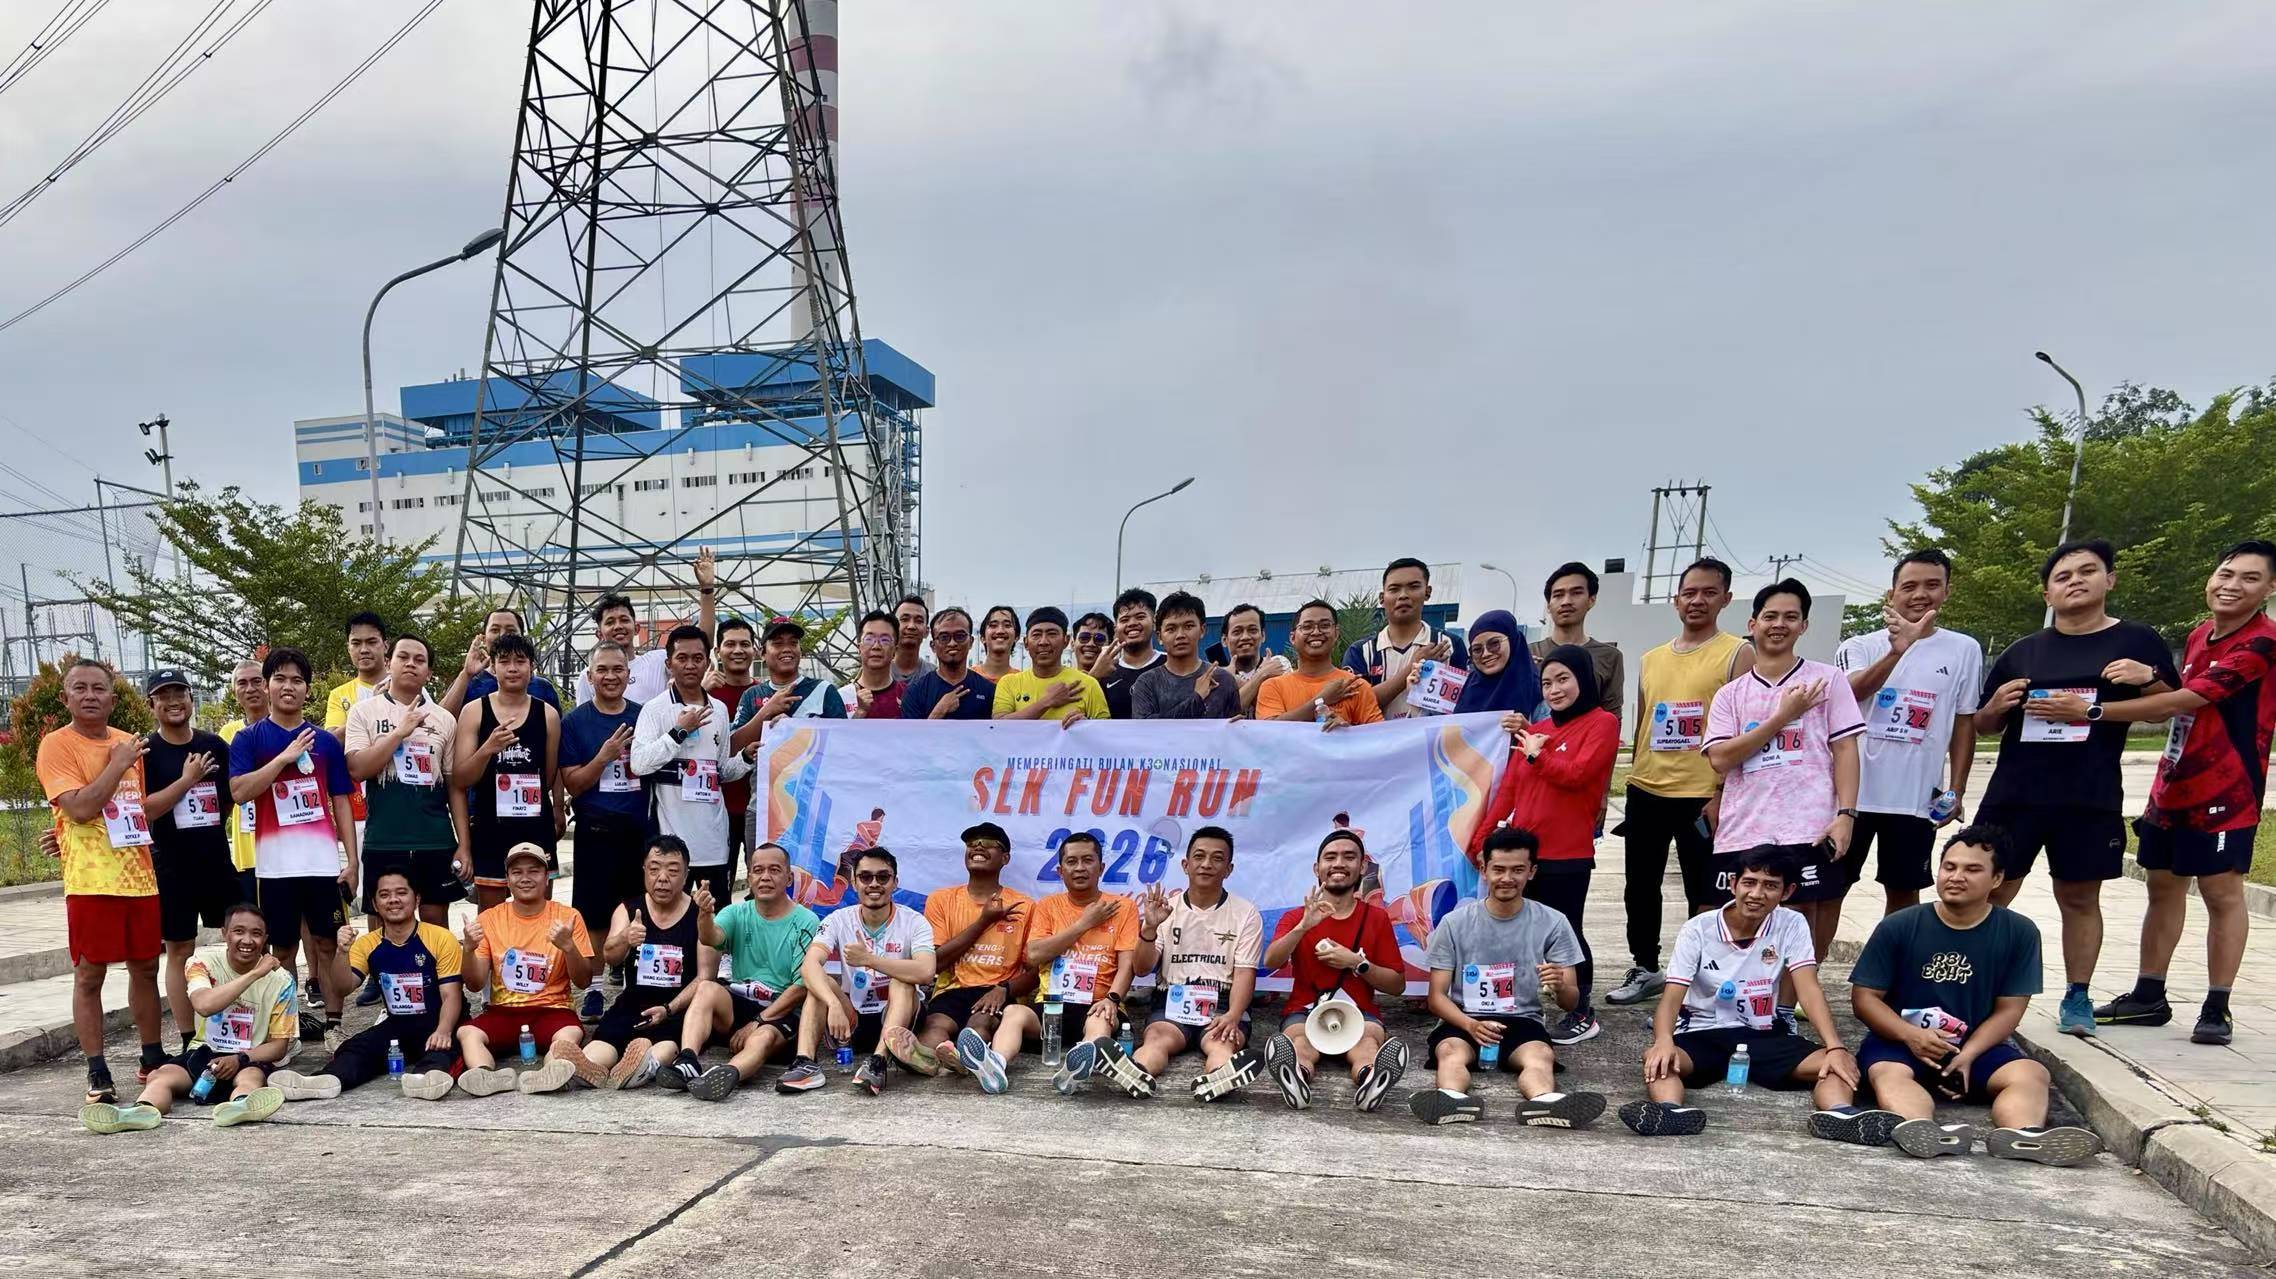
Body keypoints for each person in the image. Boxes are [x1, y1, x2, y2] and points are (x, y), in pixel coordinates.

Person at [1973, 538, 2178, 1036]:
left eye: (2088, 571)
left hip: (2088, 795)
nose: (2075, 582)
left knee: (2080, 897)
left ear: (2110, 580)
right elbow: (1983, 725)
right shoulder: (2024, 651)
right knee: (1989, 892)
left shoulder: (2136, 642)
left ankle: (2077, 996)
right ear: (2047, 594)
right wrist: (1995, 705)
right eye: (2063, 577)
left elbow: (2171, 705)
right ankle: (1974, 988)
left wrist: (2133, 685)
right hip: (2015, 794)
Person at [2089, 540, 2276, 1044]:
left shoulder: (2263, 642)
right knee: (2162, 886)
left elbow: (2185, 699)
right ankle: (2149, 995)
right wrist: (2149, 682)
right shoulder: (2198, 636)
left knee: (2221, 892)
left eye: (2250, 578)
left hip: (2228, 792)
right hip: (2172, 786)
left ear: (2269, 588)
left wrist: (2093, 710)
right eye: (2226, 573)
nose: (2232, 585)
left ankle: (2217, 1007)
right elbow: (2173, 704)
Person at [1850, 827, 2104, 1165]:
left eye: (1972, 869)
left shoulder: (2019, 932)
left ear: (1997, 879)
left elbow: (2009, 1010)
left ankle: (2024, 1135)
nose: (1956, 877)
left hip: (1975, 1046)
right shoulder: (1899, 925)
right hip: (1899, 1042)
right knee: (1888, 1073)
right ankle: (1921, 1130)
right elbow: (1865, 998)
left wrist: (1969, 1054)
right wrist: (1910, 1036)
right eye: (1949, 867)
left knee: (2031, 1074)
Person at [1618, 848, 1869, 1141]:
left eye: (1770, 885)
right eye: (1749, 882)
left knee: (1836, 1064)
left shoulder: (1792, 923)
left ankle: (1841, 1115)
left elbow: (1809, 988)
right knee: (1660, 1061)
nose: (1757, 894)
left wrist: (1835, 1046)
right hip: (1702, 1032)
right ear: (1733, 884)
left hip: (1763, 1033)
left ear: (1787, 892)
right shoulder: (1698, 928)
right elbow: (1672, 996)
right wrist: (1663, 1040)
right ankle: (1669, 1111)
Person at [1605, 557, 1752, 1009]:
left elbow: (1743, 729)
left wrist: (1722, 791)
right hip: (1647, 788)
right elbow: (1644, 721)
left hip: (1702, 793)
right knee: (1640, 886)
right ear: (1676, 600)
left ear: (1726, 599)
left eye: (1709, 592)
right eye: (1689, 593)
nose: (1697, 601)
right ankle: (1646, 966)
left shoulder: (1737, 653)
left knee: (1703, 891)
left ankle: (1700, 975)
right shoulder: (1651, 659)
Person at [1703, 579, 1865, 976]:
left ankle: (1791, 1002)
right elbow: (1720, 758)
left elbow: (1845, 751)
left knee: (1803, 922)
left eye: (1790, 617)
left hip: (1808, 827)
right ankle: (1742, 998)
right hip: (1744, 828)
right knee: (1737, 919)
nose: (1779, 624)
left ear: (1803, 625)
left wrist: (1846, 814)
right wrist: (1782, 717)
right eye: (1770, 616)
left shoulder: (1827, 680)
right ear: (1753, 623)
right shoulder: (1731, 695)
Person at [1469, 646, 1619, 1044]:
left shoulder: (1602, 723)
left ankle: (1581, 1010)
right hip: (1525, 857)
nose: (1554, 690)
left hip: (1568, 854)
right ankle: (1512, 1003)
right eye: (1547, 683)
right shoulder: (1536, 731)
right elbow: (1509, 793)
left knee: (1567, 933)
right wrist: (1483, 839)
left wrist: (1539, 755)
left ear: (1583, 680)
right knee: (1516, 930)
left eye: (1563, 679)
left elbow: (1578, 774)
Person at [1410, 828, 1599, 1127]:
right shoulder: (1454, 923)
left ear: (1532, 872)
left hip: (1522, 1019)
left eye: (1517, 870)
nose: (1507, 878)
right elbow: (1436, 997)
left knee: (1540, 1055)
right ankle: (1450, 1099)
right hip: (1464, 1018)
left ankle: (1545, 1102)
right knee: (1450, 1051)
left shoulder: (1553, 922)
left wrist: (1561, 986)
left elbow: (1571, 1002)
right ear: (1483, 870)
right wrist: (1471, 1025)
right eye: (1498, 869)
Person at [39, 657, 165, 1104]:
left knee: (146, 968)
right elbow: (79, 808)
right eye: (80, 688)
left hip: (139, 877)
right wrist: (117, 763)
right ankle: (97, 1069)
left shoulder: (128, 743)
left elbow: (135, 809)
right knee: (89, 973)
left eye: (99, 688)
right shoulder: (57, 745)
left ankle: (153, 1056)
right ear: (65, 698)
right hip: (91, 882)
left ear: (113, 698)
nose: (90, 696)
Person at [1834, 549, 1982, 917]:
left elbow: (1964, 722)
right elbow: (1851, 693)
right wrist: (1898, 651)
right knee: (1831, 890)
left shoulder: (1964, 649)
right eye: (1909, 586)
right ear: (1892, 593)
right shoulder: (1859, 646)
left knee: (1903, 894)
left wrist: (1956, 789)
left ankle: (1894, 957)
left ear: (1947, 591)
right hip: (1852, 796)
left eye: (1932, 585)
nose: (1920, 595)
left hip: (1915, 799)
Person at [229, 647, 359, 1047]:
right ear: (267, 686)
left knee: (328, 944)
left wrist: (352, 861)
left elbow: (341, 801)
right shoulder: (249, 739)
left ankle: (334, 1025)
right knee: (281, 949)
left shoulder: (326, 742)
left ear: (307, 689)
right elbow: (239, 792)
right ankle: (286, 1032)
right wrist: (283, 758)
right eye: (280, 679)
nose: (289, 687)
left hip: (322, 864)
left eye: (297, 680)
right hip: (275, 867)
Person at [79, 904, 292, 1133]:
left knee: (251, 1078)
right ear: (224, 933)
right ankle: (141, 1111)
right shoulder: (201, 962)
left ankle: (241, 1106)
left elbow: (279, 1047)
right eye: (239, 931)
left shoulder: (282, 981)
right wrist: (255, 974)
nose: (247, 940)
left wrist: (239, 1059)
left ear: (265, 939)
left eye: (256, 934)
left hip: (248, 1057)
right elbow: (204, 1005)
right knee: (159, 1076)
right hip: (204, 1053)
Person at [1098, 828, 1266, 1101]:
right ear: (1186, 865)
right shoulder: (1166, 909)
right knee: (1157, 1040)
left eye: (1217, 858)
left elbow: (1245, 973)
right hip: (1173, 999)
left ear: (1229, 869)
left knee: (1221, 1044)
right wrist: (1149, 929)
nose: (1206, 864)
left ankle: (1219, 1078)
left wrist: (1234, 1015)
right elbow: (1142, 968)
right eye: (1199, 856)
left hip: (1223, 1002)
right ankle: (1136, 1072)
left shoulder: (1246, 913)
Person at [271, 865, 463, 1101]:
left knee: (443, 1051)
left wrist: (443, 1030)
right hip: (398, 1024)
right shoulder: (367, 944)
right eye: (384, 895)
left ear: (417, 899)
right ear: (374, 903)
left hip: (441, 1021)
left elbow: (451, 994)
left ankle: (427, 1079)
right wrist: (342, 952)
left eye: (401, 893)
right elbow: (342, 987)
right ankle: (324, 1081)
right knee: (356, 1048)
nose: (393, 900)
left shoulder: (440, 938)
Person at [973, 833, 1137, 1096]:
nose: (1080, 868)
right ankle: (996, 1065)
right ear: (1060, 871)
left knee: (1099, 1021)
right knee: (1014, 1012)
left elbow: (1128, 965)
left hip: (1098, 1003)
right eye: (1072, 862)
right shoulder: (1048, 906)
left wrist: (1113, 999)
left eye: (1088, 860)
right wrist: (1084, 924)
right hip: (1051, 1007)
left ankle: (1076, 1068)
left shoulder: (1123, 907)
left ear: (1102, 867)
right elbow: (1034, 955)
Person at [1261, 831, 1407, 1111]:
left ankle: (1370, 1078)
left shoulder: (1376, 918)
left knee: (1367, 1043)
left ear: (1362, 867)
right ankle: (1297, 1077)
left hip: (1360, 1013)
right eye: (1330, 857)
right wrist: (1303, 927)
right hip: (1305, 1011)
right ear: (1317, 868)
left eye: (1349, 857)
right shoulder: (1296, 916)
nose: (1339, 863)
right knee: (1300, 1042)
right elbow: (1271, 961)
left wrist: (1356, 962)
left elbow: (1396, 985)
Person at [560, 837, 720, 1093]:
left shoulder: (700, 914)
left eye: (673, 871)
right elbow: (610, 956)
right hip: (633, 1003)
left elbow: (706, 977)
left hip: (678, 1008)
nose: (662, 878)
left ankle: (642, 1066)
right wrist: (625, 938)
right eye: (654, 869)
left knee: (667, 1044)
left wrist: (669, 1008)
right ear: (644, 870)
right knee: (605, 1040)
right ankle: (582, 1067)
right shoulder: (628, 909)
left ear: (686, 875)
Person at [780, 849, 939, 1096]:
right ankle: (806, 1063)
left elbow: (926, 971)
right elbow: (809, 965)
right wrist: (833, 1003)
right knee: (818, 985)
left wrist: (869, 960)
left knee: (903, 982)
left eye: (883, 877)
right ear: (854, 883)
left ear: (895, 883)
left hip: (898, 1018)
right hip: (852, 1017)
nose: (874, 884)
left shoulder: (914, 921)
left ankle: (878, 1062)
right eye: (865, 877)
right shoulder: (837, 919)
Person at [140, 668, 237, 1049]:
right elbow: (146, 809)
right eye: (163, 696)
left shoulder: (214, 745)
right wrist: (186, 781)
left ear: (191, 699)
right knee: (180, 950)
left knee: (240, 936)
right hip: (171, 866)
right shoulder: (146, 753)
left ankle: (241, 1026)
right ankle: (187, 1039)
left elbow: (227, 800)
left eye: (179, 693)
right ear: (152, 705)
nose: (173, 701)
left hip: (215, 860)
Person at [343, 635, 462, 936]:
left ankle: (438, 970)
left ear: (429, 673)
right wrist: (399, 733)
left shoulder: (444, 719)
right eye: (403, 657)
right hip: (384, 839)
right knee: (383, 924)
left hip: (435, 839)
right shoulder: (364, 712)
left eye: (419, 660)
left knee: (435, 924)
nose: (411, 664)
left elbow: (454, 786)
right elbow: (357, 769)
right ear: (389, 663)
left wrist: (465, 844)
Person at [454, 843, 594, 1096]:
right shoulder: (489, 919)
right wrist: (469, 950)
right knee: (467, 1032)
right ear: (507, 879)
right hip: (503, 1011)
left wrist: (569, 947)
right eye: (517, 872)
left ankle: (551, 1073)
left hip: (552, 1010)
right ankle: (485, 1075)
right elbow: (474, 984)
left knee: (570, 1034)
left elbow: (584, 981)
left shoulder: (568, 917)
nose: (525, 878)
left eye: (534, 871)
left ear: (547, 877)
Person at [684, 843, 820, 1098]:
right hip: (741, 1002)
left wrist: (758, 1022)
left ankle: (727, 1075)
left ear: (789, 878)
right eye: (758, 870)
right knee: (706, 989)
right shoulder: (735, 912)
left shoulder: (806, 921)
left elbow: (802, 987)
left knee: (762, 1037)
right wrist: (704, 915)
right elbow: (711, 938)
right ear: (749, 877)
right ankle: (687, 1060)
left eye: (774, 870)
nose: (765, 877)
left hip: (781, 1011)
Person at [632, 624, 754, 904]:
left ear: (708, 662)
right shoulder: (655, 710)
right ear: (669, 664)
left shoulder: (718, 710)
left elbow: (720, 771)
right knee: (673, 917)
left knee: (715, 917)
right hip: (671, 842)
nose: (690, 665)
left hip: (714, 840)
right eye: (682, 658)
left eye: (697, 658)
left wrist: (745, 758)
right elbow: (639, 763)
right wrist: (678, 732)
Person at [559, 639, 647, 1017]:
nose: (610, 676)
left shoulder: (645, 716)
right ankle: (594, 988)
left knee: (636, 909)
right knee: (593, 914)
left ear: (628, 674)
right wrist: (604, 757)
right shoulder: (575, 722)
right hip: (595, 828)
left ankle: (633, 984)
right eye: (602, 670)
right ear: (590, 675)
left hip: (639, 828)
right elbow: (573, 783)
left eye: (618, 669)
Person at [450, 632, 562, 912]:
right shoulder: (474, 712)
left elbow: (549, 776)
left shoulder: (548, 714)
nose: (512, 668)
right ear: (493, 667)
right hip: (490, 825)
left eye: (520, 661)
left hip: (535, 826)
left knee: (539, 913)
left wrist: (557, 807)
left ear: (532, 666)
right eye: (504, 661)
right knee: (491, 916)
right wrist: (488, 749)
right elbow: (461, 778)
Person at [920, 823, 1033, 1086]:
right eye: (972, 843)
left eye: (990, 843)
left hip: (997, 991)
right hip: (952, 989)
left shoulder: (1024, 906)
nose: (979, 846)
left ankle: (965, 1058)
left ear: (1005, 858)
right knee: (935, 1026)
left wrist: (1004, 989)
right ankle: (923, 1059)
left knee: (979, 1023)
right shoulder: (941, 899)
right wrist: (984, 921)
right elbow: (935, 963)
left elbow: (1036, 972)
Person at [571, 549, 720, 705]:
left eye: (624, 620)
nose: (618, 626)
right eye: (610, 622)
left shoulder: (658, 661)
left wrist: (707, 590)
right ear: (599, 634)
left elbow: (702, 643)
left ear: (636, 628)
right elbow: (585, 716)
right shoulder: (589, 676)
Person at [1347, 558, 1468, 720]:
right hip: (1380, 736)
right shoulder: (1361, 651)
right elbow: (1355, 706)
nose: (1403, 595)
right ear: (1382, 598)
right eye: (1394, 589)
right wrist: (1412, 666)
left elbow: (1463, 706)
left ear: (1427, 592)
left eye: (1413, 587)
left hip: (1432, 736)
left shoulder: (1449, 645)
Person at [323, 611, 388, 872]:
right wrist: (371, 707)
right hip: (358, 808)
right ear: (348, 647)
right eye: (356, 643)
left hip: (403, 804)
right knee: (368, 888)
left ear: (385, 645)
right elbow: (331, 742)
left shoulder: (407, 686)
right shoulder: (340, 695)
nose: (364, 649)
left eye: (371, 642)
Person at [729, 616, 847, 758]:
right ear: (763, 653)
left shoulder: (824, 690)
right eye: (778, 644)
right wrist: (766, 712)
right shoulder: (751, 695)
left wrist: (795, 730)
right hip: (761, 773)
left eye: (793, 643)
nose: (786, 649)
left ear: (800, 650)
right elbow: (731, 747)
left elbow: (842, 744)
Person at [1257, 600, 1385, 730]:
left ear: (1336, 633)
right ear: (1293, 638)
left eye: (1324, 626)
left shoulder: (1355, 686)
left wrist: (1347, 731)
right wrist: (1322, 699)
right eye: (1307, 627)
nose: (1316, 632)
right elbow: (1269, 732)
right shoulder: (1273, 687)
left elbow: (1378, 736)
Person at [1531, 562, 1626, 721]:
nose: (1566, 601)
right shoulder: (1527, 653)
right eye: (1558, 595)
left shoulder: (1610, 656)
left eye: (1576, 593)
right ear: (1548, 605)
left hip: (1588, 737)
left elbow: (1613, 718)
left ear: (1591, 600)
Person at [708, 615, 760, 890]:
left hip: (759, 809)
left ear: (756, 650)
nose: (738, 650)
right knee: (718, 888)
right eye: (730, 644)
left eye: (745, 644)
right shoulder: (705, 695)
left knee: (761, 884)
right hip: (717, 808)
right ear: (718, 651)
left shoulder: (766, 695)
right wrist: (699, 693)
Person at [1133, 591, 1239, 720]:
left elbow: (1234, 729)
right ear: (1160, 637)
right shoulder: (1146, 683)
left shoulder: (1223, 680)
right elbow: (1145, 729)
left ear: (1202, 630)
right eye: (1171, 629)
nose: (1180, 635)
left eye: (1188, 626)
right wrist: (1197, 698)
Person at [993, 607, 1110, 724]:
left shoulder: (1088, 684)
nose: (1043, 642)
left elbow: (1105, 731)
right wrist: (1047, 701)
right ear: (1026, 643)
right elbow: (997, 726)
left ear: (1066, 640)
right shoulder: (1009, 683)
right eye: (1036, 635)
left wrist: (1086, 725)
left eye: (1052, 634)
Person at [438, 607, 563, 715]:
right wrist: (466, 674)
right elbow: (440, 722)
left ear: (521, 637)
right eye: (495, 630)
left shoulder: (543, 688)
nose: (502, 635)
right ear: (484, 638)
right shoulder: (468, 683)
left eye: (511, 630)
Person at [219, 660, 268, 903]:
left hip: (284, 846)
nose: (250, 689)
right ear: (234, 691)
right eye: (242, 683)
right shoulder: (227, 734)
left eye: (257, 681)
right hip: (246, 851)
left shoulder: (289, 729)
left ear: (268, 684)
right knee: (252, 921)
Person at [1446, 611, 1542, 726]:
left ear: (1512, 641)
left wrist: (1528, 729)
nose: (1486, 654)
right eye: (1477, 649)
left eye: (1494, 644)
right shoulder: (1466, 689)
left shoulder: (1540, 691)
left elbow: (1555, 734)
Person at [900, 608, 996, 721]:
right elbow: (912, 732)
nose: (952, 643)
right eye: (944, 637)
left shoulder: (989, 691)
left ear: (971, 642)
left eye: (960, 636)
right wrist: (939, 712)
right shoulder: (915, 693)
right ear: (933, 646)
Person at [1090, 588, 1166, 721]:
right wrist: (1094, 677)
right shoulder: (1104, 672)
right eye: (1125, 620)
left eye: (1140, 617)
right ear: (1115, 628)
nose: (1132, 624)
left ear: (1154, 622)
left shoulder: (1171, 663)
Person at [1216, 602, 1287, 718]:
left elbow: (1284, 705)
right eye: (1237, 632)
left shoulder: (1279, 663)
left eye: (1252, 630)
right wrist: (1262, 675)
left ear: (1263, 635)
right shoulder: (1217, 676)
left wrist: (1239, 685)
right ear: (1224, 640)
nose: (1245, 637)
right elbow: (1225, 713)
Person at [840, 610, 909, 721]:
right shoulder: (842, 697)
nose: (876, 646)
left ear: (895, 650)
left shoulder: (907, 695)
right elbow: (835, 732)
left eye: (885, 640)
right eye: (869, 639)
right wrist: (859, 713)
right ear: (859, 648)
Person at [890, 594, 934, 684]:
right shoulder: (877, 672)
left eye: (919, 621)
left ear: (927, 631)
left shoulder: (934, 675)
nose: (911, 626)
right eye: (904, 619)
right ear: (892, 628)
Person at [976, 605, 1022, 684]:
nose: (1000, 631)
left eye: (1007, 625)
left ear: (1016, 637)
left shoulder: (1021, 681)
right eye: (993, 625)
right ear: (982, 638)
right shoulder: (967, 678)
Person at [1071, 611, 1114, 676]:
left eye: (1099, 639)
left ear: (1110, 646)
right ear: (1072, 644)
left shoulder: (1121, 679)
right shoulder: (1060, 679)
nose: (1090, 644)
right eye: (1084, 637)